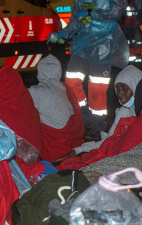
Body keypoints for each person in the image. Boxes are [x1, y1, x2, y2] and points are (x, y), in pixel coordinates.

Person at [49, 0, 129, 130]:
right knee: (71, 82)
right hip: (81, 47)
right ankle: (82, 118)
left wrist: (93, 13)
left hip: (102, 48)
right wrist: (62, 34)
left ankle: (97, 126)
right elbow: (75, 22)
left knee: (97, 89)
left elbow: (118, 10)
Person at [60, 65, 142, 159]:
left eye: (124, 88)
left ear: (137, 87)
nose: (119, 93)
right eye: (117, 88)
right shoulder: (124, 112)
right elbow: (109, 141)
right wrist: (78, 150)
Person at [28, 54, 84, 162]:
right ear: (59, 72)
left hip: (55, 147)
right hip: (73, 141)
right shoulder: (65, 87)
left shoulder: (35, 91)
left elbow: (23, 113)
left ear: (39, 71)